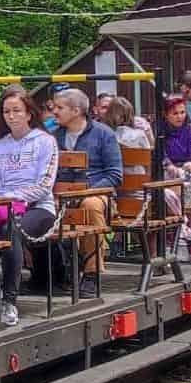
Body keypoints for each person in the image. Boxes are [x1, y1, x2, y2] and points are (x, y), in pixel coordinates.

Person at [0, 85, 58, 327]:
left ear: (29, 113)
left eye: (16, 110)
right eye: (6, 111)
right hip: (0, 207)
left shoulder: (45, 141)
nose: (11, 116)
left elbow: (45, 185)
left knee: (10, 230)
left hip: (37, 208)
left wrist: (14, 197)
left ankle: (9, 301)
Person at [50, 88, 123, 297]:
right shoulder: (54, 137)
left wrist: (86, 191)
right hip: (61, 195)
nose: (54, 111)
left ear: (76, 110)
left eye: (59, 107)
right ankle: (53, 273)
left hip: (98, 194)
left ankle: (92, 273)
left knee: (89, 205)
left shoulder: (103, 134)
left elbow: (114, 175)